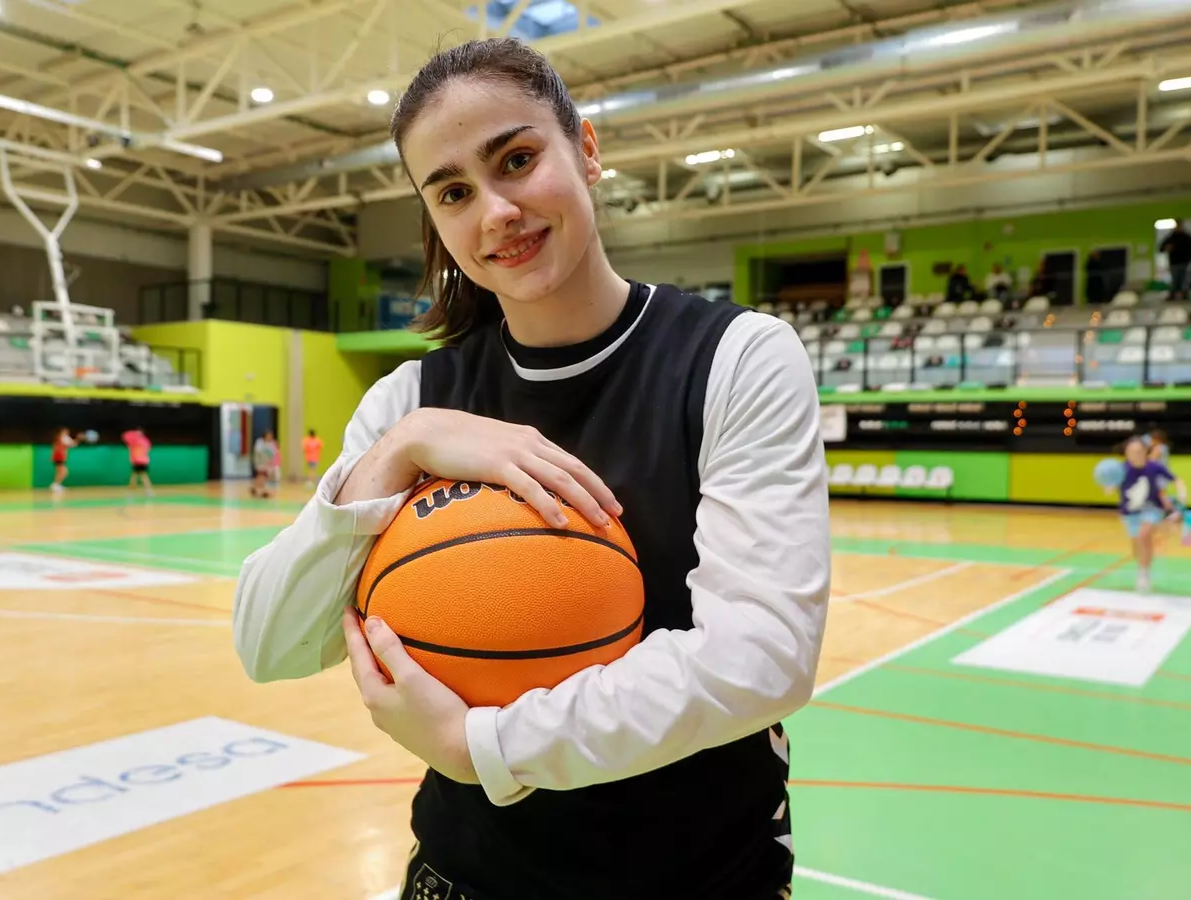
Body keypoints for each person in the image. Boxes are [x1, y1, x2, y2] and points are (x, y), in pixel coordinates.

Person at [231, 37, 830, 900]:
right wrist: (397, 452)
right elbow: (270, 643)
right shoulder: (414, 400)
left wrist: (483, 747)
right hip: (466, 875)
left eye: (516, 159)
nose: (496, 211)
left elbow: (761, 658)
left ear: (585, 148)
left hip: (701, 875)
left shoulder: (736, 357)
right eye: (453, 192)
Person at [1108, 436, 1186, 594]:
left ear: (1145, 452)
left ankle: (1143, 575)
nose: (1135, 454)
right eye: (1131, 452)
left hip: (1152, 509)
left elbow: (1176, 479)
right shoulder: (1121, 469)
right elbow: (1110, 487)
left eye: (1138, 451)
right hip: (1129, 513)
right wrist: (1108, 485)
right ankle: (1142, 567)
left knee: (1144, 535)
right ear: (1126, 453)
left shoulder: (1154, 467)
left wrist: (1182, 492)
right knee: (1137, 546)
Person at [1159, 220, 1191, 300]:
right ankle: (1173, 295)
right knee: (1175, 280)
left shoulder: (1187, 237)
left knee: (1184, 279)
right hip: (1174, 262)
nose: (1178, 227)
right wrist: (1166, 248)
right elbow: (1161, 248)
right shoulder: (1171, 237)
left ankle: (1185, 295)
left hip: (1185, 261)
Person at [122, 427, 154, 496]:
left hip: (142, 461)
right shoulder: (134, 441)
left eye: (139, 433)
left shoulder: (144, 441)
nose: (138, 434)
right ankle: (132, 490)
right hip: (136, 461)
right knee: (134, 475)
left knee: (143, 475)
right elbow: (125, 436)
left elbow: (148, 448)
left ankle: (148, 490)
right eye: (137, 432)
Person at [251, 430, 280, 498]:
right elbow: (258, 452)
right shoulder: (259, 442)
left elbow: (273, 453)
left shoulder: (271, 444)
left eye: (271, 436)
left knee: (263, 477)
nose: (269, 437)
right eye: (268, 435)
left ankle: (255, 488)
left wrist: (271, 460)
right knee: (261, 476)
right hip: (260, 463)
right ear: (265, 435)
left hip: (267, 464)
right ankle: (263, 490)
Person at [49, 427, 77, 495]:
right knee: (64, 472)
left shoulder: (59, 438)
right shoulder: (64, 438)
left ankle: (56, 485)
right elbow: (73, 444)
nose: (67, 432)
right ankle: (55, 485)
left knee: (59, 472)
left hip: (58, 457)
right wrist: (79, 438)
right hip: (59, 456)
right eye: (65, 431)